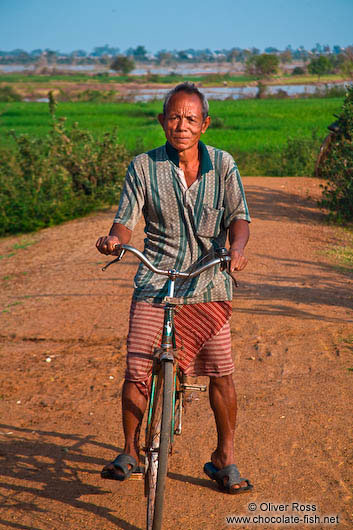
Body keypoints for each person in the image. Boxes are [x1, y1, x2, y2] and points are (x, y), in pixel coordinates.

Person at [96, 82, 253, 493]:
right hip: (156, 279)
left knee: (221, 371)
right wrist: (114, 239)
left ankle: (225, 459)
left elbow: (239, 217)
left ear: (204, 124)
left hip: (208, 281)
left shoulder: (223, 165)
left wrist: (236, 247)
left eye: (189, 118)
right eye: (173, 117)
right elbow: (124, 220)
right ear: (162, 121)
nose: (181, 125)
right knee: (136, 368)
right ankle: (130, 450)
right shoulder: (143, 167)